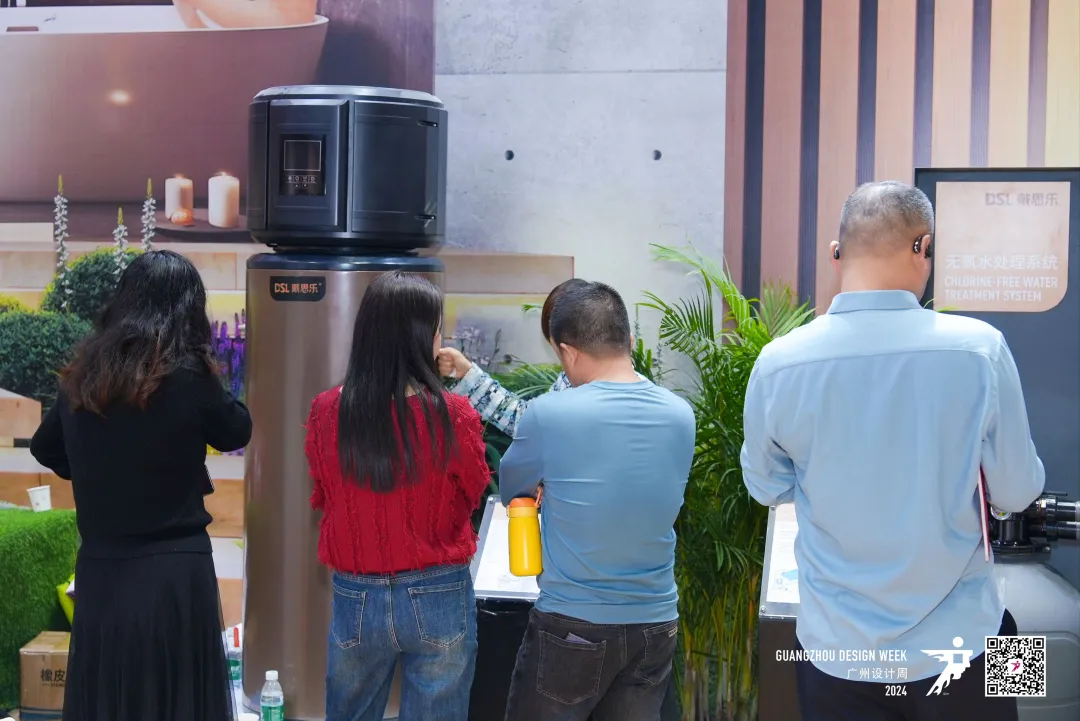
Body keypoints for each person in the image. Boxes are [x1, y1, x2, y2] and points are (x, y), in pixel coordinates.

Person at [740, 181, 1044, 721]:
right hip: (970, 640)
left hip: (834, 653)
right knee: (1015, 645)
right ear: (922, 247)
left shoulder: (778, 363)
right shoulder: (981, 347)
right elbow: (1018, 491)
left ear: (836, 254)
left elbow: (766, 487)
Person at [29, 250, 251, 721]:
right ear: (188, 310)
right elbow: (236, 431)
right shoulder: (189, 375)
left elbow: (45, 448)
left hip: (103, 571)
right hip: (176, 573)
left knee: (110, 699)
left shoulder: (84, 377)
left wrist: (94, 470)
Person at [498, 281, 696, 721]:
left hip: (572, 624)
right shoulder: (681, 414)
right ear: (629, 339)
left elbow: (514, 490)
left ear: (568, 352)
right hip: (655, 625)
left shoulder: (549, 414)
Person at [304, 271, 490, 721]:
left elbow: (325, 492)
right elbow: (474, 489)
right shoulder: (453, 414)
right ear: (423, 338)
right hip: (439, 590)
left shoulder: (327, 411)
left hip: (356, 593)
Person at [437, 278, 589, 437]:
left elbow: (530, 425)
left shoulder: (581, 391)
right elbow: (528, 421)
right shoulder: (571, 381)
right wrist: (468, 374)